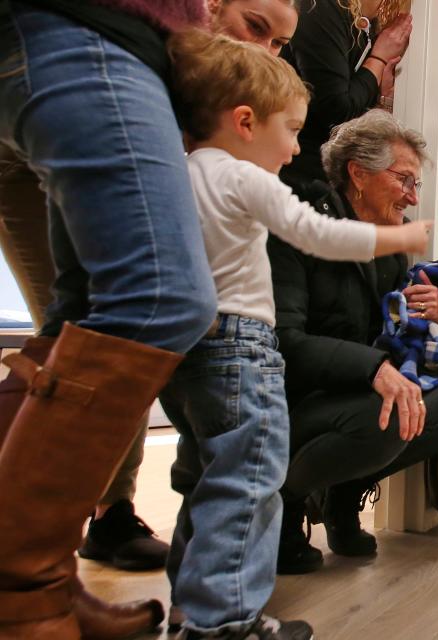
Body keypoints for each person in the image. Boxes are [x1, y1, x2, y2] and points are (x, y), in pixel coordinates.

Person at [0, 0, 302, 577]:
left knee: (85, 327)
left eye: (279, 44)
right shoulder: (155, 61)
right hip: (85, 36)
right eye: (255, 27)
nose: (263, 51)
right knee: (151, 309)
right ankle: (24, 581)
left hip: (64, 47)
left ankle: (53, 564)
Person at [160, 31, 431, 638]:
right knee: (248, 483)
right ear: (246, 121)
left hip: (188, 346)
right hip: (242, 350)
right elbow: (320, 236)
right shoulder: (250, 180)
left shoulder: (177, 172)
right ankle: (225, 621)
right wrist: (400, 239)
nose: (295, 149)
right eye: (292, 130)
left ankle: (190, 603)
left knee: (209, 477)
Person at [0, 2, 220, 638]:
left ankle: (46, 578)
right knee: (164, 300)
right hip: (87, 25)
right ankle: (20, 593)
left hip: (82, 32)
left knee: (77, 314)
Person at [268, 109, 438, 575]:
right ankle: (285, 503)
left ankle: (342, 495)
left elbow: (406, 337)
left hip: (353, 395)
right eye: (404, 179)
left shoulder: (389, 247)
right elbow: (283, 341)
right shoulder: (299, 227)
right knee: (389, 412)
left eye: (416, 185)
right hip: (294, 402)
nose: (412, 196)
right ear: (357, 174)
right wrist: (373, 368)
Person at [280, 0, 412, 186]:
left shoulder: (370, 27)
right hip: (295, 170)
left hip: (326, 178)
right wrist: (379, 59)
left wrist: (381, 98)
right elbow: (337, 109)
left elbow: (354, 120)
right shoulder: (322, 7)